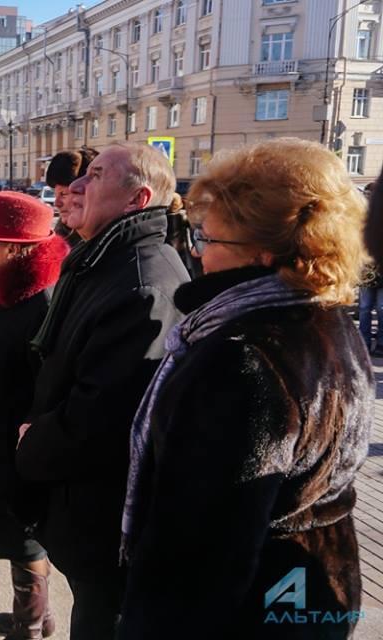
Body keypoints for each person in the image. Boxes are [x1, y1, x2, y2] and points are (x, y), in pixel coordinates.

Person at [119, 138, 373, 640]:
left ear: (263, 253)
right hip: (316, 586)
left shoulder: (242, 357)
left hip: (249, 608)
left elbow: (206, 548)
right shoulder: (326, 321)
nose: (197, 253)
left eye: (209, 240)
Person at [16, 143, 189, 640]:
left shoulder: (142, 283)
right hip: (84, 505)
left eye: (94, 175)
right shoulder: (105, 259)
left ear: (137, 199)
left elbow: (104, 418)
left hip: (105, 515)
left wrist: (33, 441)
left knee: (103, 619)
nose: (77, 187)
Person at [0, 192, 69, 640]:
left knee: (26, 534)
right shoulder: (7, 290)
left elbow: (48, 384)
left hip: (21, 446)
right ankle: (36, 616)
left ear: (12, 248)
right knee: (15, 531)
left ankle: (27, 626)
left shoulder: (40, 302)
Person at [44, 147, 97, 239]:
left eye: (63, 194)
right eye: (55, 194)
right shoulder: (62, 235)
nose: (57, 203)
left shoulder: (111, 240)